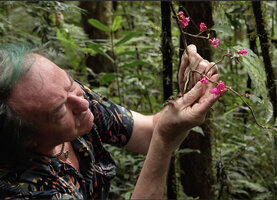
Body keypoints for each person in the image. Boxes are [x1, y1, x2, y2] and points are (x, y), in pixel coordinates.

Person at [0, 43, 222, 199]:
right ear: (28, 139)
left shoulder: (74, 99)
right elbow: (159, 135)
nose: (83, 104)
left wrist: (187, 92)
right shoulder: (23, 190)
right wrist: (163, 141)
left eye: (69, 83)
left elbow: (149, 131)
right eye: (60, 112)